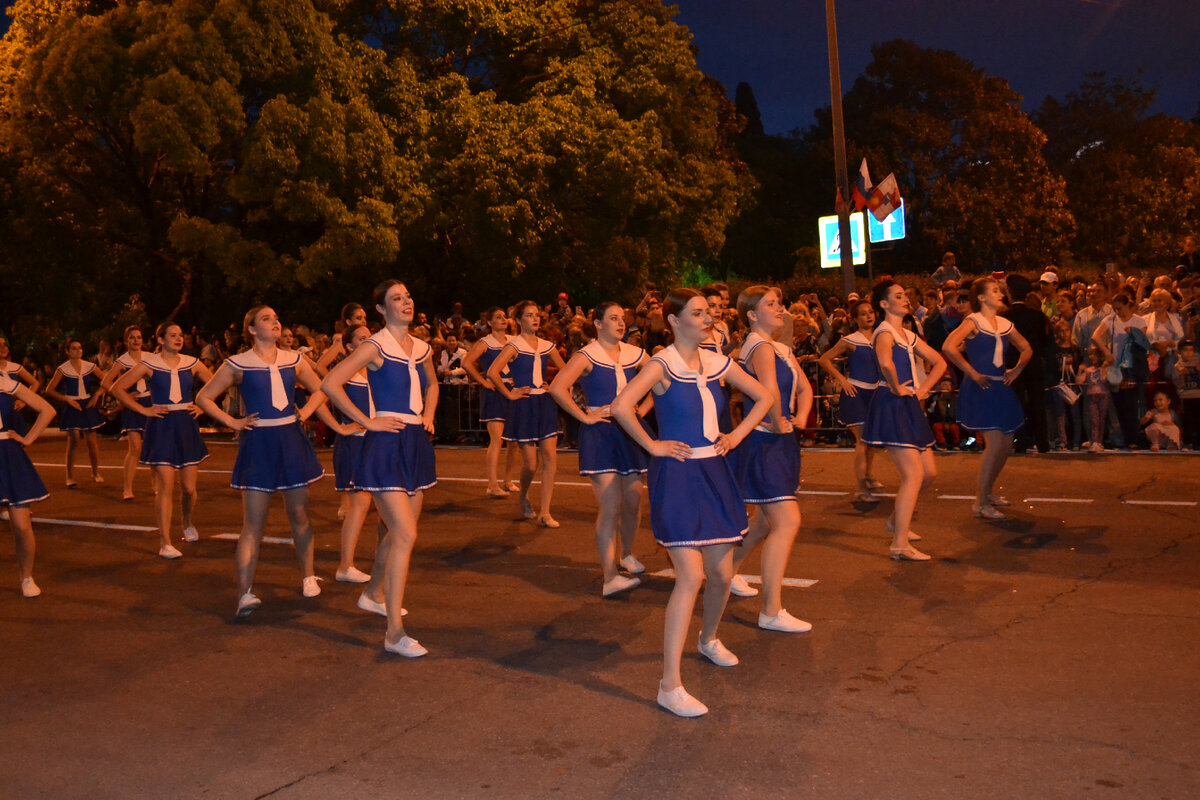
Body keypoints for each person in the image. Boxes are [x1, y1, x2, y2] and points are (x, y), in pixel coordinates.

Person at [611, 288, 772, 718]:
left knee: (721, 572)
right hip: (678, 475)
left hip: (715, 472)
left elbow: (766, 397)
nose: (708, 319)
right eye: (697, 313)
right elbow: (622, 406)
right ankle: (669, 684)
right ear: (674, 321)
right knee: (691, 575)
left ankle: (708, 639)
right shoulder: (660, 363)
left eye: (709, 312)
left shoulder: (717, 361)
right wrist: (652, 445)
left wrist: (736, 436)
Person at [195, 306, 339, 618]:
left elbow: (323, 388)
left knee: (299, 515)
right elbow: (204, 398)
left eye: (276, 318)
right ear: (251, 330)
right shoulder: (237, 364)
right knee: (253, 524)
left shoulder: (295, 360)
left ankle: (308, 576)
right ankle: (244, 594)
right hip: (258, 443)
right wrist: (232, 422)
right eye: (266, 319)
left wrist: (308, 410)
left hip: (290, 441)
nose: (275, 322)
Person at [322, 280, 438, 658]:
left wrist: (430, 415)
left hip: (415, 441)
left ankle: (373, 593)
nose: (405, 302)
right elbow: (330, 382)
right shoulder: (375, 345)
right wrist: (367, 421)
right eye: (396, 299)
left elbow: (432, 383)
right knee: (404, 535)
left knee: (397, 534)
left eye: (407, 296)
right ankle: (393, 632)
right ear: (381, 310)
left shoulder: (421, 348)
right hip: (385, 443)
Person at [726, 286, 813, 633]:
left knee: (763, 519)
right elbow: (770, 391)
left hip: (779, 440)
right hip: (764, 442)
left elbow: (804, 389)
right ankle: (771, 611)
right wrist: (778, 421)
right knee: (787, 521)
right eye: (771, 304)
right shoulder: (759, 346)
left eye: (779, 303)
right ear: (751, 314)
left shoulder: (780, 348)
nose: (780, 308)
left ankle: (725, 572)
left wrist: (801, 418)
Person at [548, 302, 649, 597]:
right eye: (613, 319)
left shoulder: (635, 354)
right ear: (598, 324)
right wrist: (585, 416)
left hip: (630, 432)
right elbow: (557, 387)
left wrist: (642, 408)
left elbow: (660, 380)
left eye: (622, 318)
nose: (620, 323)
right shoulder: (587, 355)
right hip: (601, 434)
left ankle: (626, 554)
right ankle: (609, 577)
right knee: (610, 505)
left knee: (633, 500)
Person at [111, 323, 214, 559]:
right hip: (162, 425)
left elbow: (215, 383)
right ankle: (165, 542)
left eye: (180, 335)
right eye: (172, 335)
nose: (178, 339)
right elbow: (118, 388)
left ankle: (187, 521)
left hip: (186, 425)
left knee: (189, 489)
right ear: (160, 339)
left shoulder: (193, 362)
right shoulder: (149, 364)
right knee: (166, 487)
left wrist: (202, 405)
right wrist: (143, 410)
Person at [863, 281, 947, 561]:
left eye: (906, 295)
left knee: (929, 472)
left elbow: (940, 362)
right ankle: (899, 543)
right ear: (884, 304)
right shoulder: (884, 332)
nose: (905, 299)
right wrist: (898, 386)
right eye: (898, 296)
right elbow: (885, 363)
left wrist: (924, 389)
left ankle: (896, 521)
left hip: (908, 404)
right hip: (891, 404)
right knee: (913, 474)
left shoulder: (908, 335)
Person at [942, 278, 1032, 520]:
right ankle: (980, 503)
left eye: (1000, 290)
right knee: (994, 443)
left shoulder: (1004, 323)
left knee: (1006, 442)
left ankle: (988, 491)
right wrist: (970, 372)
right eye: (994, 290)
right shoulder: (973, 321)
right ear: (981, 298)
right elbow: (949, 346)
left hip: (1000, 386)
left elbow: (1026, 348)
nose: (1000, 293)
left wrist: (1016, 370)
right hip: (981, 386)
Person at [487, 300, 566, 528]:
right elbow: (492, 372)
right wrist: (510, 394)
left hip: (544, 403)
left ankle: (545, 512)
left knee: (551, 457)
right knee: (531, 465)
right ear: (519, 320)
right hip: (524, 404)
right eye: (530, 315)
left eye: (537, 314)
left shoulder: (547, 345)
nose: (535, 318)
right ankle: (523, 497)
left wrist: (555, 385)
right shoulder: (514, 346)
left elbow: (567, 369)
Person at [818, 299, 883, 500]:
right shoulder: (850, 340)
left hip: (875, 393)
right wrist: (842, 380)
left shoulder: (882, 337)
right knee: (863, 441)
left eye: (871, 312)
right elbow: (824, 359)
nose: (868, 316)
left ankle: (869, 475)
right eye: (863, 313)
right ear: (855, 319)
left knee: (871, 441)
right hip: (856, 394)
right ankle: (861, 488)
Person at [0, 370, 55, 597]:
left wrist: (28, 438)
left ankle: (27, 577)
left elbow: (47, 410)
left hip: (8, 455)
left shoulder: (5, 383)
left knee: (22, 527)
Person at [328, 324, 372, 583]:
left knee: (390, 501)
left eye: (370, 336)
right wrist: (338, 427)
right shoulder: (345, 373)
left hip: (377, 443)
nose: (368, 341)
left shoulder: (377, 368)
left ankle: (391, 554)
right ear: (350, 346)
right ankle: (345, 566)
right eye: (362, 338)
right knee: (360, 504)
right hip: (354, 444)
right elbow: (321, 394)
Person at [462, 306, 520, 498]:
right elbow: (467, 363)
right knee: (497, 439)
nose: (503, 320)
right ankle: (492, 484)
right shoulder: (485, 342)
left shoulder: (514, 341)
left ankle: (508, 480)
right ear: (489, 322)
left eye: (505, 317)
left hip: (512, 390)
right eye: (498, 317)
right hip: (495, 392)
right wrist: (483, 381)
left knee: (513, 442)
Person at [44, 339, 107, 487]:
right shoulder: (62, 369)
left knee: (92, 441)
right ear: (67, 351)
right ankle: (69, 476)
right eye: (74, 348)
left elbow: (107, 380)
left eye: (79, 348)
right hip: (72, 404)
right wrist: (66, 399)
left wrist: (98, 394)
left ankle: (96, 472)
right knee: (73, 439)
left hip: (87, 403)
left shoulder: (89, 366)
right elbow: (49, 389)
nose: (78, 351)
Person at [1092, 293, 1150, 449]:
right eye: (1115, 309)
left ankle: (1133, 438)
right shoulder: (1110, 320)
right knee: (1119, 404)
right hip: (1116, 367)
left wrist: (1134, 332)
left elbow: (1143, 342)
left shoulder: (1139, 321)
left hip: (1132, 367)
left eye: (1121, 308)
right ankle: (1123, 437)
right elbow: (1095, 336)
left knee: (1132, 403)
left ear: (1129, 305)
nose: (1118, 312)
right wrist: (1106, 352)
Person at [102, 326, 153, 501]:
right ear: (126, 341)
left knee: (153, 446)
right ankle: (127, 489)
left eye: (139, 337)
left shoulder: (151, 357)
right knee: (135, 448)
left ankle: (156, 486)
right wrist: (122, 397)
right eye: (132, 338)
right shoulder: (122, 361)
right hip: (132, 406)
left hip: (150, 404)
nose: (136, 340)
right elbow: (106, 381)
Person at [1002, 274, 1051, 453]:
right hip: (1035, 364)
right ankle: (1043, 442)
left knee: (1018, 402)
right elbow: (1044, 340)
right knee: (1038, 402)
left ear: (1010, 292)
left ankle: (1021, 441)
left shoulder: (1005, 316)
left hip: (1013, 365)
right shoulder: (1038, 316)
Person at [0, 335, 40, 437]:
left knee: (18, 445)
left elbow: (35, 383)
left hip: (14, 413)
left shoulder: (15, 367)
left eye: (5, 345)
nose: (3, 348)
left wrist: (24, 401)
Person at [1077, 346, 1113, 453]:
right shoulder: (1088, 370)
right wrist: (1080, 370)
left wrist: (1104, 368)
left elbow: (1104, 380)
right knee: (1094, 419)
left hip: (1104, 396)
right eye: (1090, 354)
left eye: (1095, 354)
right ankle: (1094, 442)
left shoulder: (1105, 369)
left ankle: (1099, 442)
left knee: (1101, 419)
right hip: (1091, 397)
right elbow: (1079, 381)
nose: (1092, 356)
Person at [316, 303, 369, 373]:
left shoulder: (369, 339)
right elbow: (320, 366)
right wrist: (335, 383)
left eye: (364, 318)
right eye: (359, 318)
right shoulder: (341, 342)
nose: (363, 322)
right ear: (348, 322)